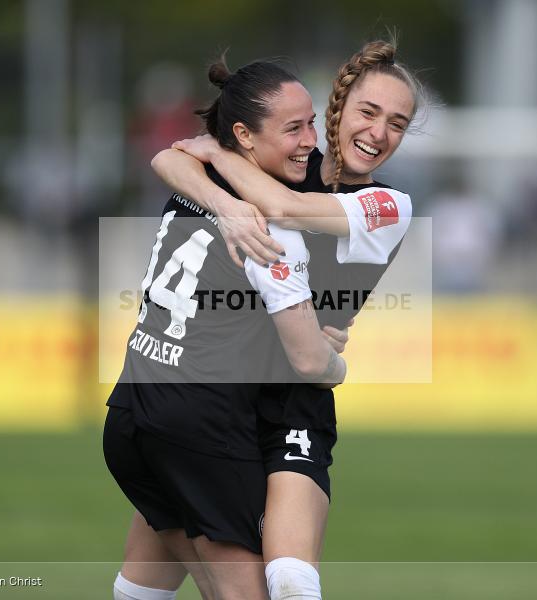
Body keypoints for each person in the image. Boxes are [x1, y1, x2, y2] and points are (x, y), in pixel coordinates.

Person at [141, 40, 423, 600]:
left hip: (295, 397)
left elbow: (282, 208)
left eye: (398, 123)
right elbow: (169, 158)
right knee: (144, 584)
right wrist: (220, 196)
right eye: (368, 112)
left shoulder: (389, 204)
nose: (379, 133)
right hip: (224, 397)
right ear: (336, 109)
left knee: (290, 581)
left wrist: (220, 159)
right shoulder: (288, 158)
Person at [104, 58, 349, 600]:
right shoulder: (266, 217)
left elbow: (167, 157)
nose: (312, 141)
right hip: (199, 423)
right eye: (294, 128)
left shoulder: (198, 175)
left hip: (131, 413)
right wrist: (336, 363)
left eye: (313, 123)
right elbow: (308, 360)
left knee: (142, 588)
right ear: (243, 134)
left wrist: (216, 175)